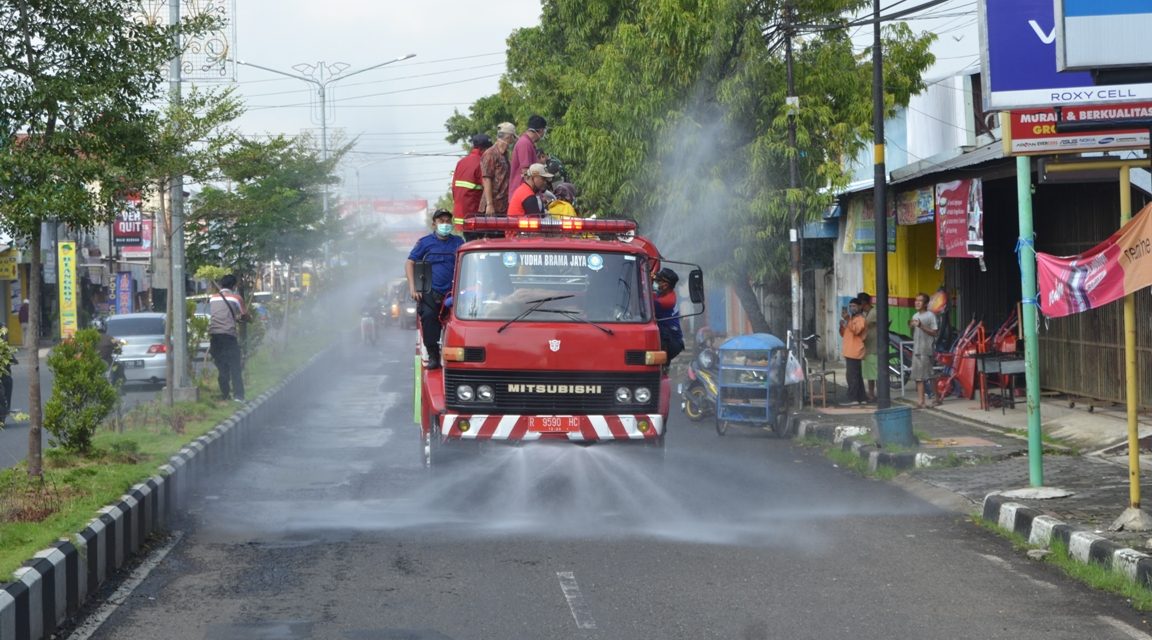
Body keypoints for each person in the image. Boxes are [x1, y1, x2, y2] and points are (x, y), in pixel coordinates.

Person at [405, 209, 465, 369]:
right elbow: (410, 262)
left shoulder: (459, 242)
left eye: (447, 221)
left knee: (463, 321)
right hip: (431, 291)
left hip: (454, 293)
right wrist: (413, 287)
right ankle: (433, 355)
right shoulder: (424, 243)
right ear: (434, 224)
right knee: (429, 317)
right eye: (441, 221)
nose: (445, 224)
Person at [208, 274, 249, 402]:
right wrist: (245, 318)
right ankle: (238, 396)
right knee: (235, 366)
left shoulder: (212, 298)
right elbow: (245, 315)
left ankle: (225, 394)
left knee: (222, 367)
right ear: (234, 285)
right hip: (229, 336)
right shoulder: (236, 298)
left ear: (221, 285)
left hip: (214, 337)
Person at [452, 133, 491, 237]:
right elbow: (488, 188)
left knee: (470, 245)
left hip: (462, 214)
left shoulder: (461, 162)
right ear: (484, 149)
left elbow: (454, 188)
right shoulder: (481, 163)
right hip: (475, 216)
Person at [910, 292, 939, 408]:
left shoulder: (930, 315)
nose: (917, 302)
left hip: (926, 349)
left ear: (926, 303)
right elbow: (913, 334)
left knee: (930, 375)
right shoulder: (914, 316)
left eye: (920, 300)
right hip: (916, 349)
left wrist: (921, 325)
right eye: (916, 300)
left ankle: (937, 397)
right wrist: (912, 327)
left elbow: (935, 332)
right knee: (918, 376)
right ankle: (921, 401)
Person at [508, 114, 547, 200]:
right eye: (544, 130)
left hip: (525, 194)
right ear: (540, 130)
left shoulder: (529, 144)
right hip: (522, 196)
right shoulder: (524, 144)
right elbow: (526, 173)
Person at [481, 122, 516, 217]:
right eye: (513, 137)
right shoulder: (490, 154)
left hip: (503, 206)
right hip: (492, 207)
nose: (514, 141)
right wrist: (489, 204)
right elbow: (486, 179)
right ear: (509, 137)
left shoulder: (505, 155)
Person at [839, 298, 867, 406]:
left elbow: (856, 330)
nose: (851, 308)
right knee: (857, 376)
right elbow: (843, 334)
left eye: (854, 306)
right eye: (850, 306)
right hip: (849, 350)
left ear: (860, 307)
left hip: (855, 350)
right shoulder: (851, 319)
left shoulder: (861, 319)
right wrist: (842, 325)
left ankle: (853, 399)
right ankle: (861, 397)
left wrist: (848, 320)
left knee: (852, 376)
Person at [653, 268, 684, 364]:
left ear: (665, 285)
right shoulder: (667, 293)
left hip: (671, 342)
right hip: (672, 339)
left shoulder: (665, 302)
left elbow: (645, 301)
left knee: (657, 330)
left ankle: (663, 367)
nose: (655, 282)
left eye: (658, 281)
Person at [857, 292, 878, 403]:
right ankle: (871, 394)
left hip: (874, 347)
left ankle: (873, 394)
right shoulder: (865, 314)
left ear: (863, 303)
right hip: (868, 347)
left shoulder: (873, 313)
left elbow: (864, 325)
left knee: (875, 372)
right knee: (870, 374)